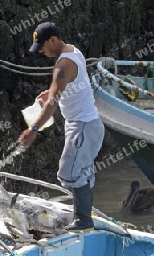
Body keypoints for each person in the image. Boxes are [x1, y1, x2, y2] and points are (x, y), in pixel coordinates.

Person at [19, 22, 105, 233]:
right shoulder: (73, 50)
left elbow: (52, 103)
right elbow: (72, 83)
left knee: (70, 171)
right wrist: (51, 92)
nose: (41, 51)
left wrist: (34, 130)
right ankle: (81, 216)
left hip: (83, 126)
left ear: (53, 40)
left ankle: (84, 220)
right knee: (79, 170)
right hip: (85, 125)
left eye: (42, 47)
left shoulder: (62, 65)